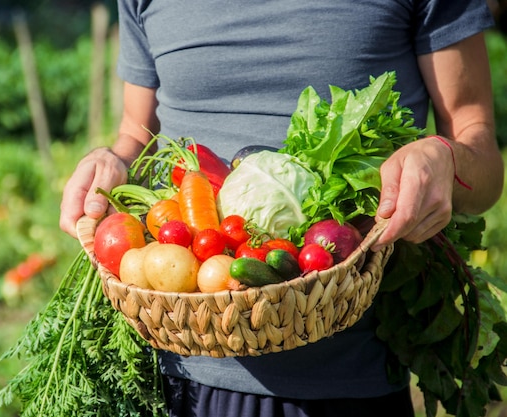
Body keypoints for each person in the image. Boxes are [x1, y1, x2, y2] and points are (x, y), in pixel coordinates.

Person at [60, 1, 504, 416]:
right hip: (178, 371)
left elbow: (480, 153)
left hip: (349, 378)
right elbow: (135, 134)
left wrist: (445, 157)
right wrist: (113, 160)